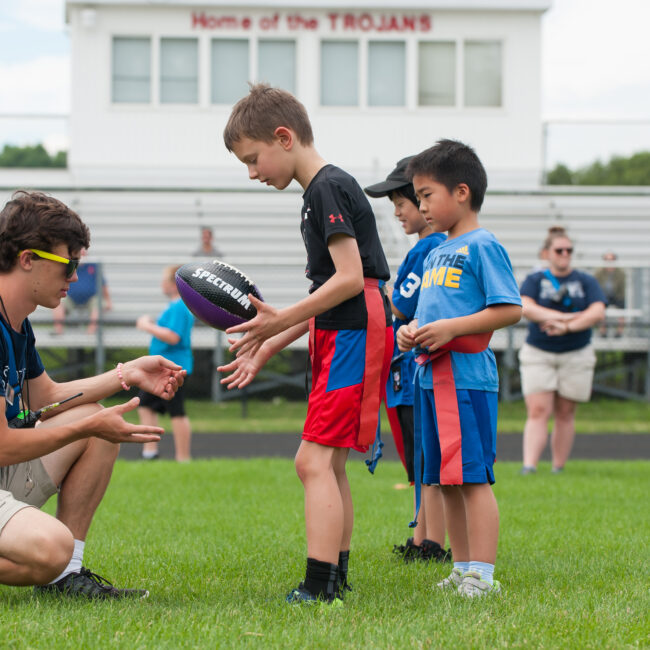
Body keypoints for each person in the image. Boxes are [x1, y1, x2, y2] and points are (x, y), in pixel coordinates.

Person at [219, 83, 393, 605]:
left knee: (312, 462)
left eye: (253, 159)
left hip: (354, 331)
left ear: (284, 136)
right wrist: (274, 341)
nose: (252, 173)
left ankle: (320, 586)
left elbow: (348, 280)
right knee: (329, 463)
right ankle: (334, 576)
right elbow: (329, 292)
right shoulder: (318, 191)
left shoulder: (326, 188)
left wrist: (278, 323)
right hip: (342, 329)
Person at [0, 190, 186, 599]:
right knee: (51, 546)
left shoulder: (17, 320)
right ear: (27, 259)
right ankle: (58, 566)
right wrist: (89, 423)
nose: (75, 278)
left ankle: (65, 579)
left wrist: (129, 373)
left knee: (96, 427)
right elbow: (3, 444)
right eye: (69, 264)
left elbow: (46, 395)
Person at [396, 140, 522, 597]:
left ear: (462, 192)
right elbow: (426, 316)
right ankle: (462, 565)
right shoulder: (433, 252)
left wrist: (451, 329)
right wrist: (410, 333)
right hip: (429, 380)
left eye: (427, 195)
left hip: (466, 381)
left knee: (471, 477)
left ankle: (483, 576)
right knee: (443, 478)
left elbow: (509, 309)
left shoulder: (483, 245)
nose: (421, 206)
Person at [364, 157, 450, 564]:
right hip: (414, 366)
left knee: (421, 455)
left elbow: (401, 304)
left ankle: (429, 542)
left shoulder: (429, 248)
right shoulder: (431, 246)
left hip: (412, 368)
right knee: (422, 456)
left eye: (404, 201)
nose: (397, 211)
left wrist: (389, 296)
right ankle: (423, 537)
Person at [519, 226, 606, 475]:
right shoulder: (535, 280)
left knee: (566, 412)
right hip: (540, 350)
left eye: (569, 250)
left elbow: (597, 311)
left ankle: (558, 466)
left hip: (576, 350)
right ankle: (530, 465)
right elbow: (526, 307)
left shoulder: (585, 280)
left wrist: (566, 327)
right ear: (546, 253)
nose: (565, 254)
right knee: (538, 410)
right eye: (559, 250)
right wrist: (563, 317)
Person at [137, 265, 194, 462]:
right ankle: (150, 451)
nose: (162, 284)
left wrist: (147, 326)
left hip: (173, 367)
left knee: (176, 411)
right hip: (163, 368)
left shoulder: (179, 306)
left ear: (174, 285)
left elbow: (172, 336)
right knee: (145, 405)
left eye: (165, 280)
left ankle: (183, 457)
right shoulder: (174, 306)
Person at [52, 248, 112, 335]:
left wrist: (108, 301)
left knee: (98, 306)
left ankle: (90, 334)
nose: (82, 253)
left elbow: (103, 284)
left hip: (91, 298)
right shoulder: (68, 265)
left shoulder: (93, 265)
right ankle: (58, 331)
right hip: (70, 297)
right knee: (58, 304)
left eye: (84, 251)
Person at [594, 251, 626, 337]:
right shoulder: (599, 272)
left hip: (617, 296)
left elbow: (621, 290)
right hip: (604, 296)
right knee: (599, 306)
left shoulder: (620, 273)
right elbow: (597, 288)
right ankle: (603, 331)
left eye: (611, 260)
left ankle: (619, 332)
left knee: (622, 305)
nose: (609, 262)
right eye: (607, 260)